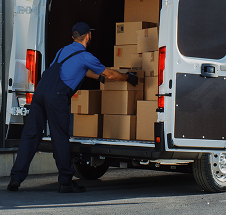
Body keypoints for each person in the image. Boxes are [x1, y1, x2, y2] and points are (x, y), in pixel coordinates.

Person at [8, 22, 138, 193]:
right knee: (60, 137)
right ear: (88, 36)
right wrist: (128, 77)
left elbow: (77, 70)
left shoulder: (63, 51)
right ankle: (65, 181)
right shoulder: (86, 56)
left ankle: (16, 179)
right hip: (57, 97)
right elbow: (111, 74)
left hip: (40, 93)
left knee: (30, 135)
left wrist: (98, 78)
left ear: (73, 37)